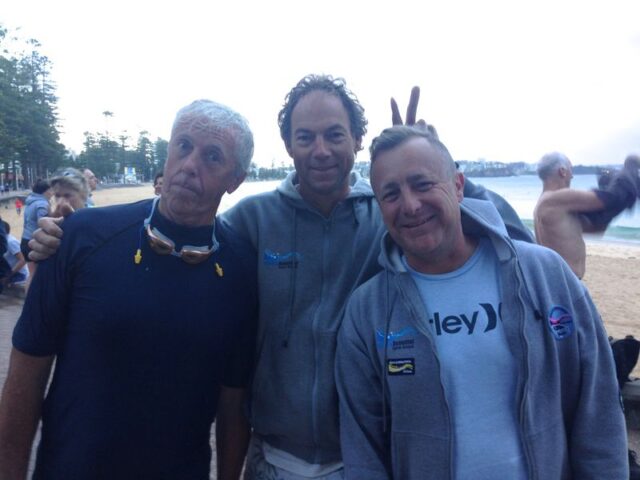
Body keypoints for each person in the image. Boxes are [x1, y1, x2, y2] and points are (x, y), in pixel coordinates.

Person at [26, 78, 533, 479]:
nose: (320, 150)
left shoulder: (388, 215)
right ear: (288, 145)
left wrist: (429, 163)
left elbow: (505, 238)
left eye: (335, 134)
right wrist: (64, 238)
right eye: (305, 136)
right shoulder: (252, 221)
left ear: (357, 139)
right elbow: (177, 235)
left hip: (365, 455)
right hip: (271, 457)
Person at [335, 125, 628, 479]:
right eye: (391, 194)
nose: (410, 205)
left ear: (458, 185)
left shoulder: (546, 276)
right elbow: (363, 451)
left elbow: (598, 411)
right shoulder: (368, 312)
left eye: (423, 184)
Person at [0, 99, 258, 480]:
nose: (190, 165)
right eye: (183, 146)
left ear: (235, 180)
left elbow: (232, 403)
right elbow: (26, 374)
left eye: (212, 156)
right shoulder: (80, 237)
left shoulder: (240, 270)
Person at [534, 152, 639, 278]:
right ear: (562, 171)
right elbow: (612, 199)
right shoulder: (556, 198)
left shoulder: (547, 204)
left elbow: (597, 227)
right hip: (565, 281)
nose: (572, 176)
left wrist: (607, 188)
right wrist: (631, 163)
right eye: (571, 170)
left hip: (560, 280)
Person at [20, 179, 51, 285]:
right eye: (51, 190)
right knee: (40, 276)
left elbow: (26, 223)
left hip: (25, 240)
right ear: (46, 191)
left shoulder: (30, 203)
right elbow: (44, 224)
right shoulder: (42, 204)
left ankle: (28, 295)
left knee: (32, 275)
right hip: (35, 243)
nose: (52, 193)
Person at [1, 221, 29, 287]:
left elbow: (23, 260)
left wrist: (9, 275)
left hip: (19, 275)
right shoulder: (3, 241)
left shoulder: (10, 242)